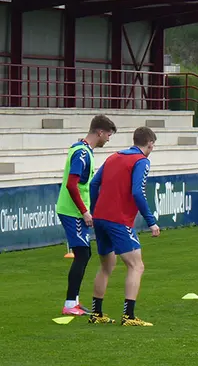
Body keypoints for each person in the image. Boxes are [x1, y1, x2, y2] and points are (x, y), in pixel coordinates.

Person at [87, 127, 160, 326]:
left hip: (101, 218)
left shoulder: (113, 157)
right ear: (150, 143)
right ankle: (128, 316)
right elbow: (138, 192)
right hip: (118, 220)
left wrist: (95, 210)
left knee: (106, 265)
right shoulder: (141, 161)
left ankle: (97, 313)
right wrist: (151, 221)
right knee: (136, 265)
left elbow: (94, 184)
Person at [58, 115, 116, 316]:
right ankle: (69, 304)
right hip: (72, 211)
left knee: (84, 253)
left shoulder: (81, 149)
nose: (108, 139)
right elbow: (71, 185)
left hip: (73, 209)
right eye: (108, 135)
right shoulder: (82, 153)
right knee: (82, 254)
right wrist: (84, 212)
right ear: (99, 132)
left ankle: (73, 300)